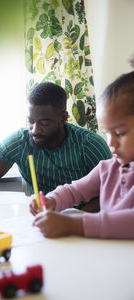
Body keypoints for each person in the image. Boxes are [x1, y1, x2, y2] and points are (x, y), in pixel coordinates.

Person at [30, 68, 134, 240]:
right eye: (107, 132)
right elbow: (75, 191)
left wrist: (73, 224)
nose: (110, 143)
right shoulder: (107, 168)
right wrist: (52, 201)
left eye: (120, 133)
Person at [0, 82, 111, 204]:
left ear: (63, 118)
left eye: (44, 123)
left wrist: (70, 220)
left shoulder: (90, 145)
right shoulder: (20, 141)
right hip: (41, 219)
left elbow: (112, 193)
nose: (35, 130)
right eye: (30, 121)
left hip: (84, 222)